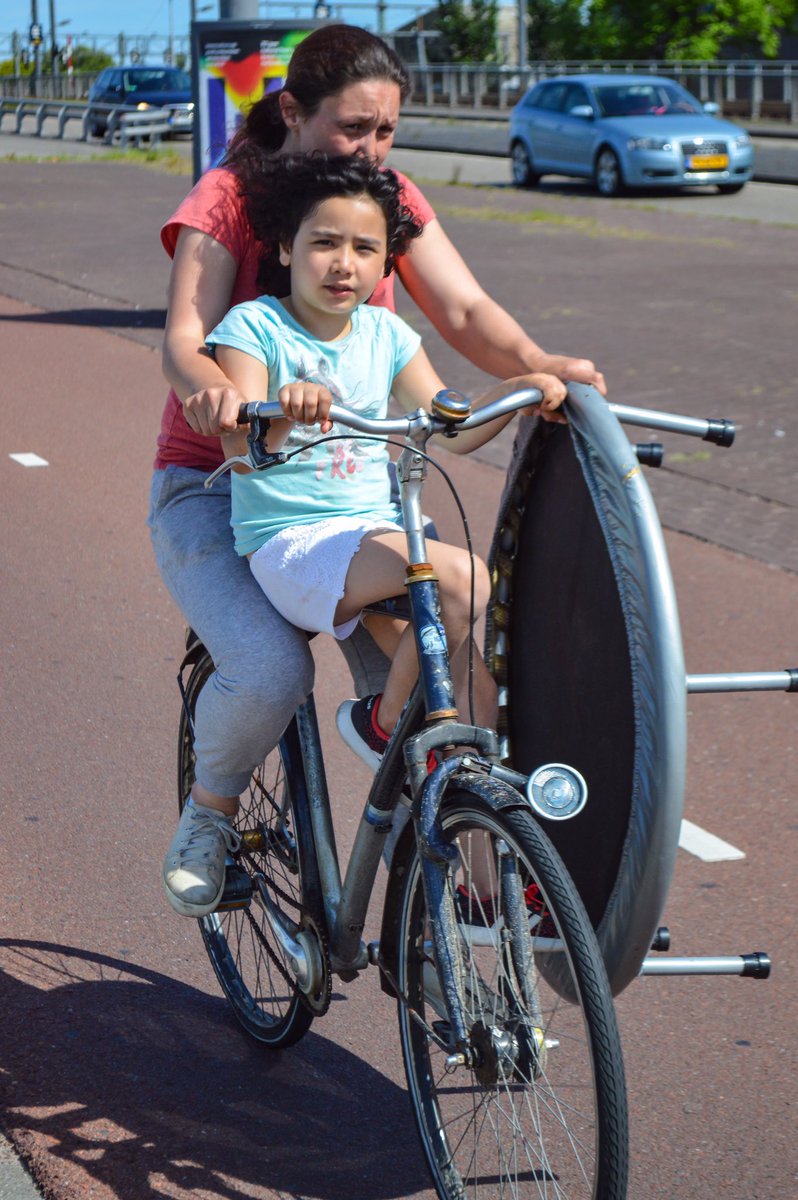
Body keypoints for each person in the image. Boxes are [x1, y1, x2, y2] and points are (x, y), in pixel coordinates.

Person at [151, 24, 605, 919]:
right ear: (294, 112)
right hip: (230, 484)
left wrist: (537, 372)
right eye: (354, 129)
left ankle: (476, 904)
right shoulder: (234, 202)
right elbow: (186, 343)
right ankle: (210, 816)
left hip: (364, 496)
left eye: (387, 133)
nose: (373, 153)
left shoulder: (379, 207)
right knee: (272, 671)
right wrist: (236, 404)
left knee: (455, 692)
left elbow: (464, 313)